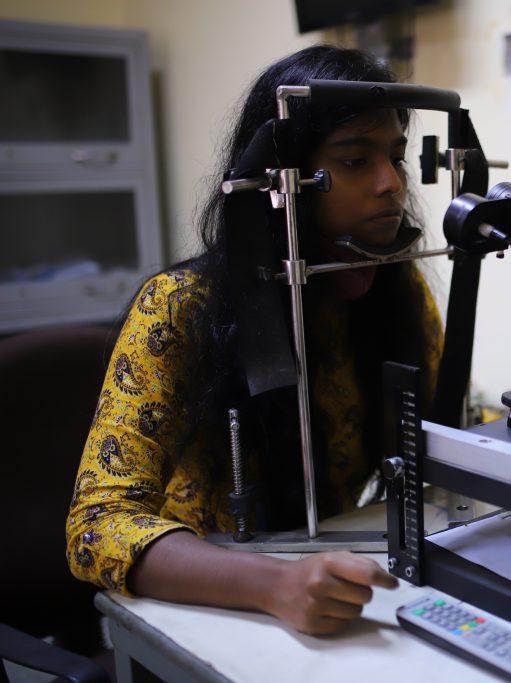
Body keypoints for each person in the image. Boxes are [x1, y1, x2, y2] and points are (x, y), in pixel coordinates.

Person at [66, 45, 443, 635]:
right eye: (354, 161)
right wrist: (274, 586)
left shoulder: (396, 291)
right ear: (278, 177)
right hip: (206, 609)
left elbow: (439, 439)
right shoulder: (178, 308)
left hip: (333, 581)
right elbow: (96, 526)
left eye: (396, 156)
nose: (390, 183)